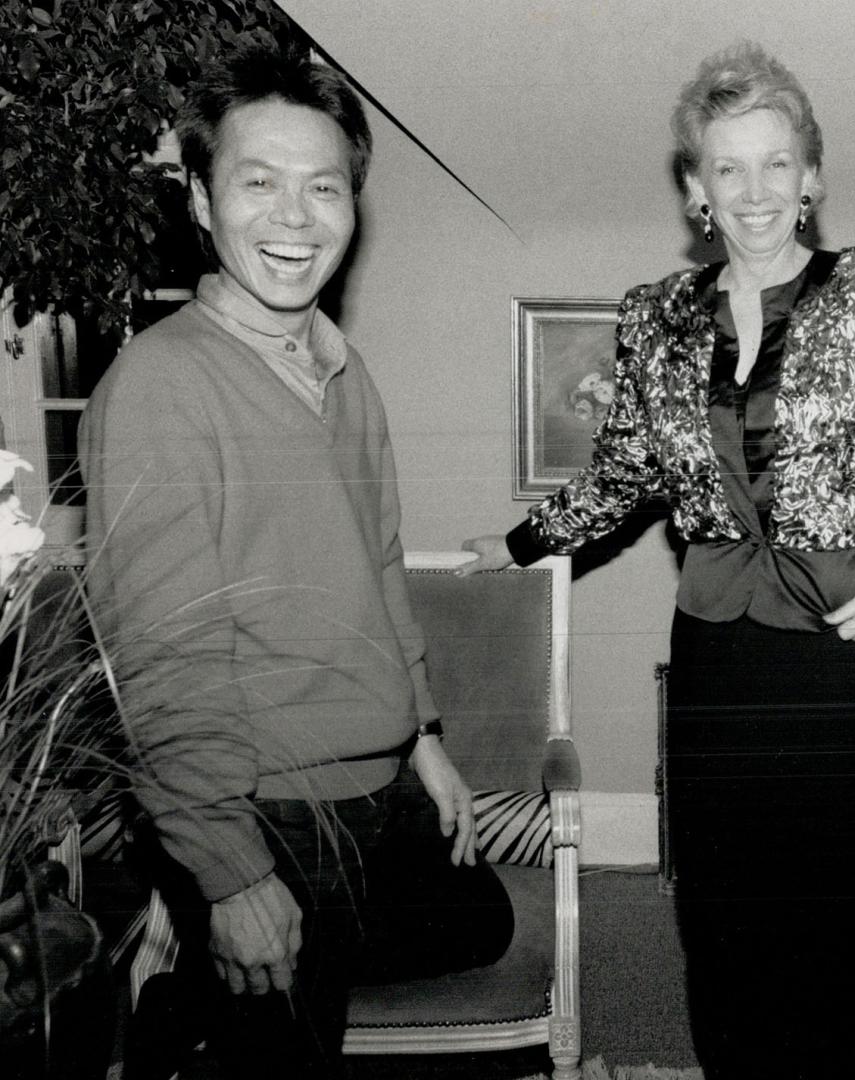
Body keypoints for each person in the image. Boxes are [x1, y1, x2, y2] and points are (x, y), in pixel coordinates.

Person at [460, 40, 855, 1080]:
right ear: (697, 187)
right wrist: (515, 544)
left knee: (844, 911)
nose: (753, 191)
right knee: (725, 905)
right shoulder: (655, 313)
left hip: (847, 646)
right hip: (716, 651)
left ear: (811, 179)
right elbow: (625, 475)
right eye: (727, 168)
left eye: (775, 164)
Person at [79, 42, 512, 1078]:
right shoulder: (160, 388)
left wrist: (424, 739)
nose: (294, 217)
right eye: (257, 182)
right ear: (198, 198)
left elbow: (377, 561)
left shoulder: (336, 362)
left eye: (322, 187)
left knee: (476, 922)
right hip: (269, 803)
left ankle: (190, 996)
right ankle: (210, 987)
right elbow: (160, 661)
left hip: (372, 777)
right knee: (285, 1050)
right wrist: (228, 879)